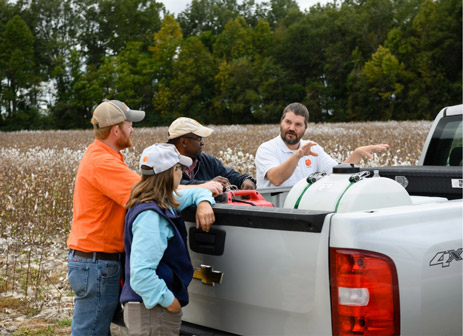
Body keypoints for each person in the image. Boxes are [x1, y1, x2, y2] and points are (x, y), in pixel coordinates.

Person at [67, 99, 145, 336]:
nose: (133, 129)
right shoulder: (103, 162)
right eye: (130, 124)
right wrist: (201, 190)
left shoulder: (102, 156)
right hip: (97, 264)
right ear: (116, 130)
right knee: (89, 332)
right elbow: (148, 191)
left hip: (93, 262)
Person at [120, 143, 216, 336]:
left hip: (150, 308)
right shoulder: (151, 216)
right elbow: (141, 275)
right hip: (152, 311)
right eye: (179, 168)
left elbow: (195, 192)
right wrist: (170, 302)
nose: (181, 173)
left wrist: (204, 202)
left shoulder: (158, 201)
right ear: (170, 172)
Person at [255, 102, 390, 188]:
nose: (291, 128)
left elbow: (338, 174)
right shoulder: (267, 149)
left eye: (298, 124)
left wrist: (357, 154)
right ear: (281, 122)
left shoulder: (313, 149)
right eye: (288, 122)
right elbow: (276, 179)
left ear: (305, 128)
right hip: (274, 212)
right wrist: (298, 155)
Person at [167, 117, 257, 190]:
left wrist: (245, 179)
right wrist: (208, 185)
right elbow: (173, 186)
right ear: (183, 142)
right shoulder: (163, 163)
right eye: (199, 139)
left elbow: (228, 175)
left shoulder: (206, 160)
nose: (202, 143)